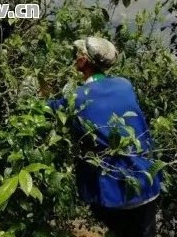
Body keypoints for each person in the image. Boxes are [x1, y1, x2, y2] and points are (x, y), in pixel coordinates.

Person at [48, 37, 161, 237]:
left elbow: (49, 109)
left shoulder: (77, 97)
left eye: (77, 55)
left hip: (116, 194)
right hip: (147, 182)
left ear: (83, 61)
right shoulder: (124, 84)